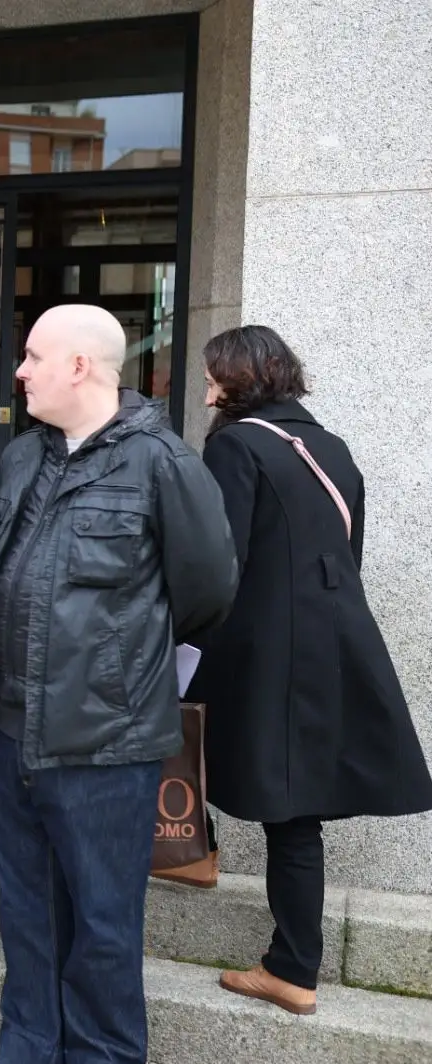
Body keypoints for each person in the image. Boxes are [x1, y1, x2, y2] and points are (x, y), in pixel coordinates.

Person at [0, 304, 238, 1064]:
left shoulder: (163, 464)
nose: (19, 371)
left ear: (79, 366)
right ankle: (27, 1055)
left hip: (106, 742)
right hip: (10, 734)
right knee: (25, 912)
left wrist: (119, 665)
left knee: (104, 923)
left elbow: (208, 591)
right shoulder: (22, 458)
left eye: (33, 356)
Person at [191, 326, 432, 1015]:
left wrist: (184, 630)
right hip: (336, 639)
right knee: (296, 810)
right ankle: (287, 957)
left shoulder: (236, 445)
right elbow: (349, 553)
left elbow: (221, 564)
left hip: (269, 646)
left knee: (197, 747)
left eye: (213, 379)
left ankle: (285, 959)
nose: (207, 394)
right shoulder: (332, 446)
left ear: (241, 379)